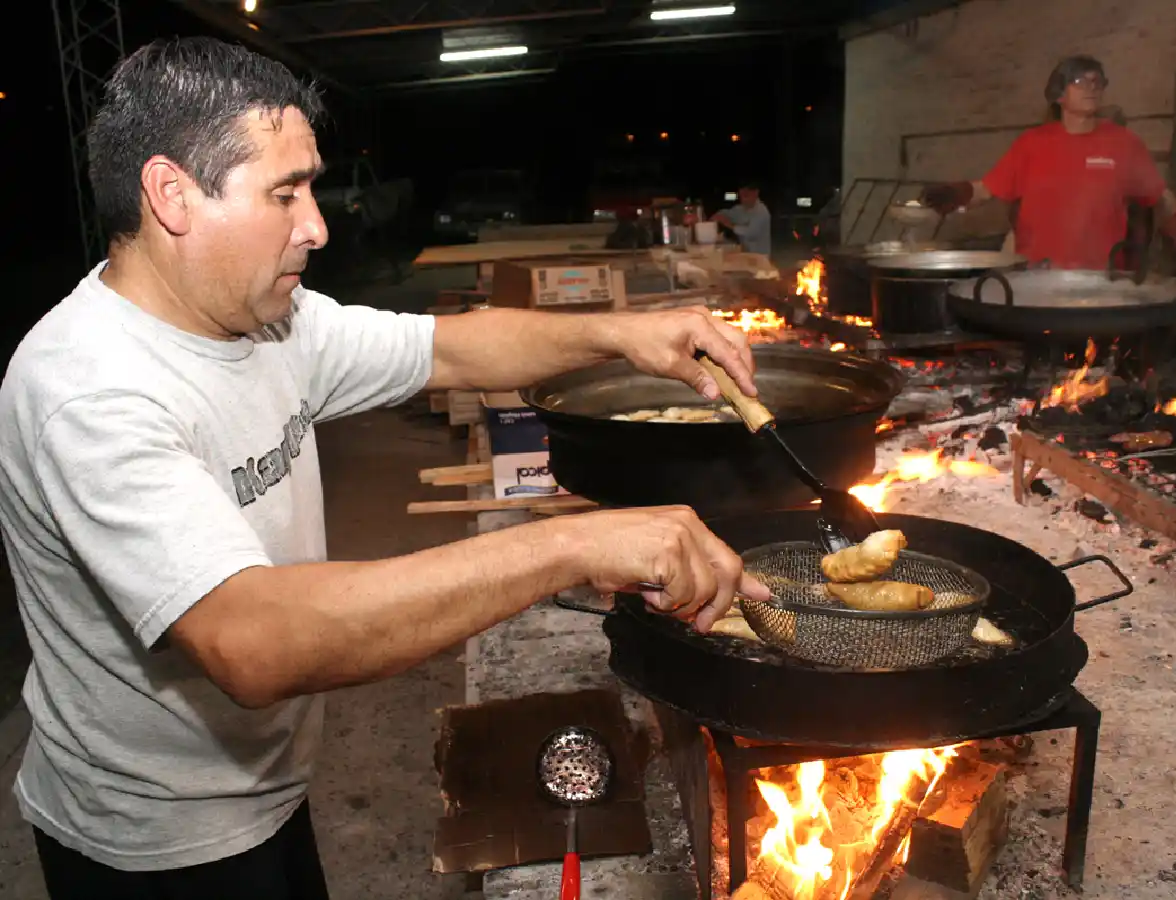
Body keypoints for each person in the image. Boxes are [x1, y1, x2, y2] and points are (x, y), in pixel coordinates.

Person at [0, 38, 770, 900]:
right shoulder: (90, 390)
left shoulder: (265, 323)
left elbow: (450, 346)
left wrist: (624, 332)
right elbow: (255, 640)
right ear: (173, 195)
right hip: (150, 842)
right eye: (285, 193)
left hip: (266, 787)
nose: (318, 226)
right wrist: (574, 547)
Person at [921, 56, 1176, 273]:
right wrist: (957, 193)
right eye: (1079, 81)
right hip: (1037, 276)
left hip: (1102, 280)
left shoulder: (1124, 143)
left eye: (1097, 81)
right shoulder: (1032, 143)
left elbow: (1160, 197)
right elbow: (988, 189)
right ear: (1058, 94)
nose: (1091, 87)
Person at [712, 180, 772, 256]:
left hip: (760, 258)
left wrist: (730, 225)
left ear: (756, 193)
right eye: (742, 194)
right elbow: (725, 213)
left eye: (747, 194)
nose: (744, 197)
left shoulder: (762, 211)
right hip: (745, 254)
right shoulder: (739, 210)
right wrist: (715, 218)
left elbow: (751, 233)